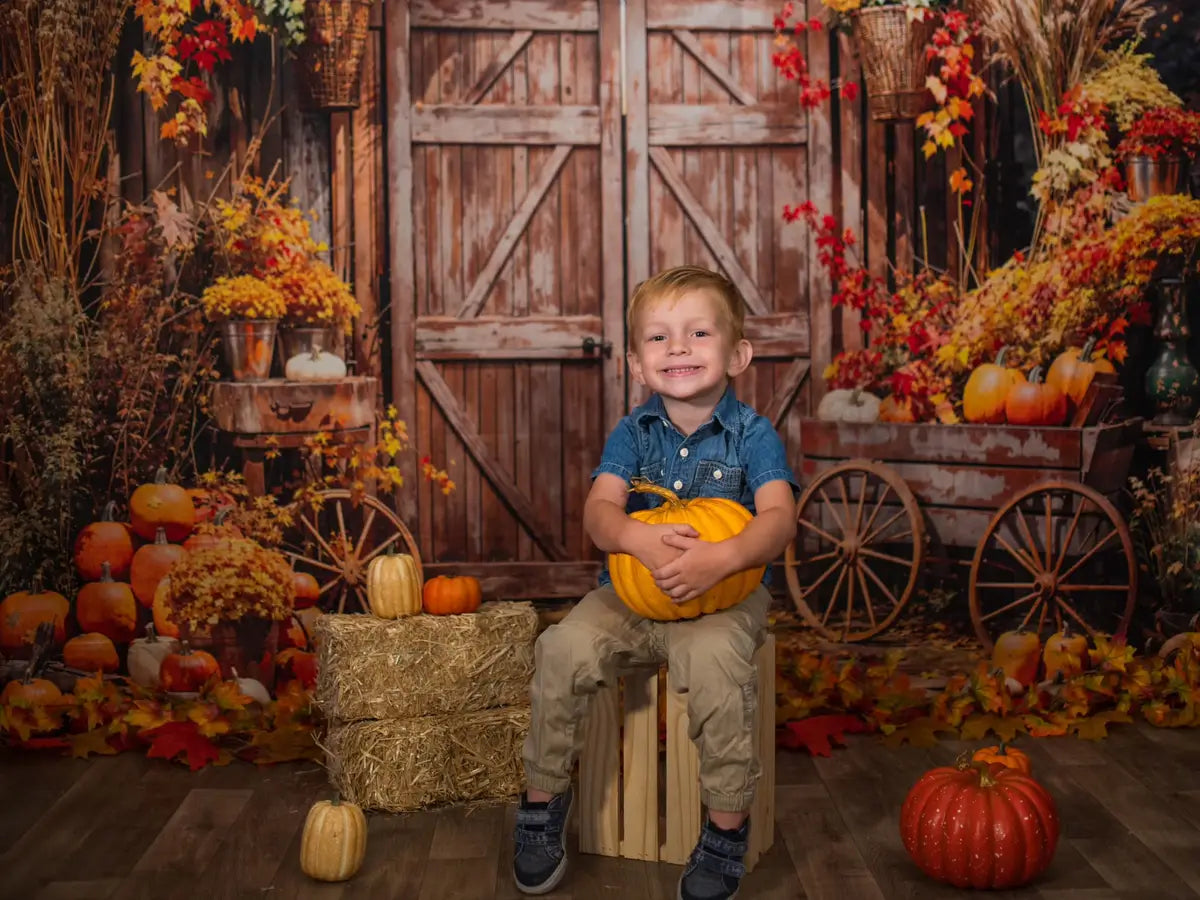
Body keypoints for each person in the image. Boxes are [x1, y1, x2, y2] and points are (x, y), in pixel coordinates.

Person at [511, 266, 798, 900]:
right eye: (659, 338)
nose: (679, 349)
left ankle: (726, 826)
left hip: (724, 603)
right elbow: (597, 513)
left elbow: (779, 520)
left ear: (737, 354)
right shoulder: (633, 433)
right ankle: (541, 801)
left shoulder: (753, 435)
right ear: (638, 365)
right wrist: (636, 537)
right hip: (629, 598)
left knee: (718, 668)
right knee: (561, 648)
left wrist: (722, 560)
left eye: (698, 332)